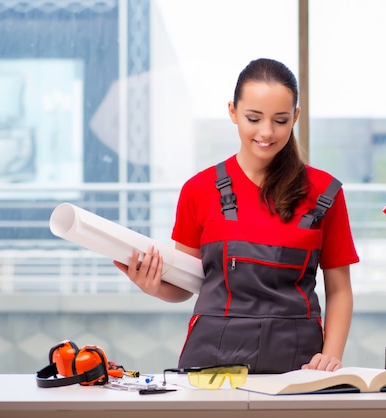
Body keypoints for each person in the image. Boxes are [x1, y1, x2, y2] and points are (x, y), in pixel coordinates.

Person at [115, 58, 359, 374]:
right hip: (211, 363)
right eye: (254, 118)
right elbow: (185, 285)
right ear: (233, 112)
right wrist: (151, 285)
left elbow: (339, 289)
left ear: (295, 117)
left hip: (299, 363)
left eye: (281, 120)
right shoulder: (198, 190)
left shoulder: (326, 193)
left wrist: (332, 354)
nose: (267, 132)